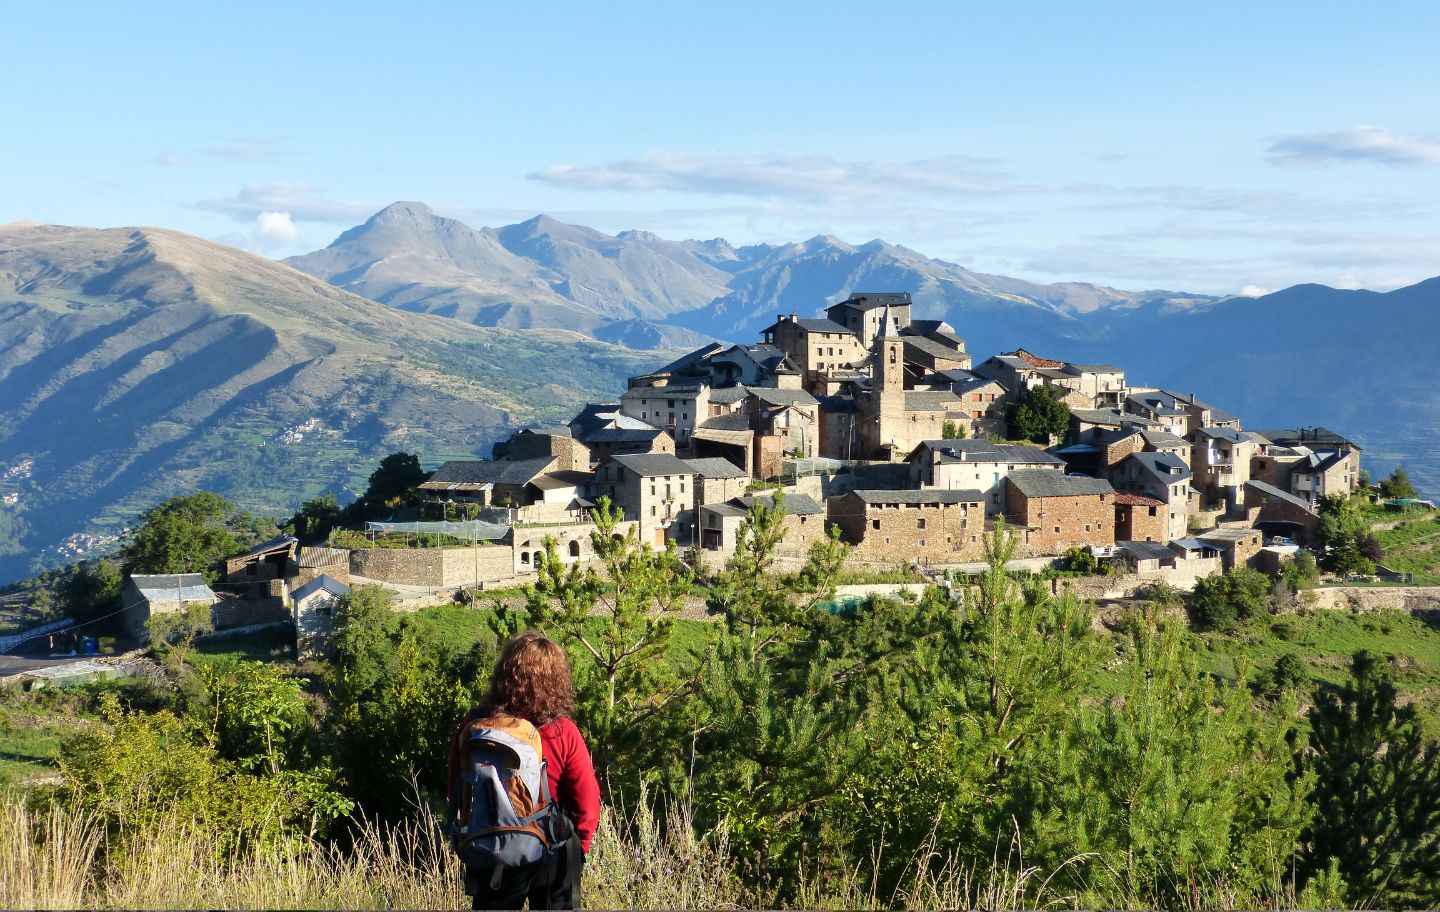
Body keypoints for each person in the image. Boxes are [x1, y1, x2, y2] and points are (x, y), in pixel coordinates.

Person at [449, 632, 600, 910]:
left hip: (491, 849)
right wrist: (579, 852)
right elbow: (587, 805)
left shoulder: (475, 725)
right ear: (557, 680)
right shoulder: (562, 731)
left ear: (504, 673)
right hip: (551, 852)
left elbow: (456, 790)